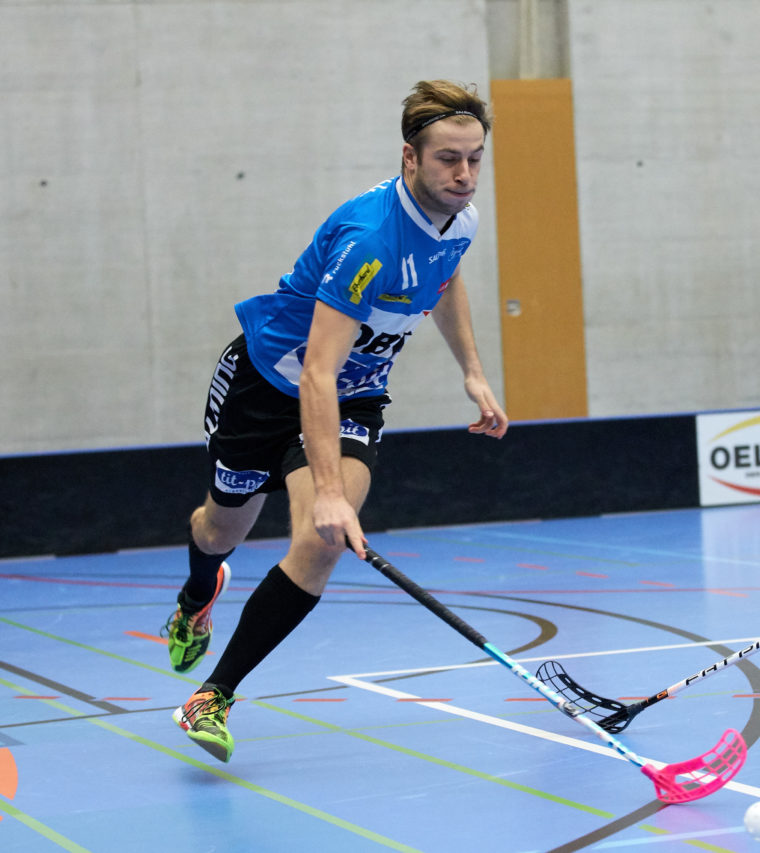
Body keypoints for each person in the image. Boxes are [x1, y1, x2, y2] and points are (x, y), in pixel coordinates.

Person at [165, 80, 508, 761]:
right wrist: (324, 489)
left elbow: (444, 278)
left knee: (321, 543)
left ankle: (213, 694)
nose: (464, 175)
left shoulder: (459, 219)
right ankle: (199, 591)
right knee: (219, 528)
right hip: (269, 386)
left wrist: (471, 369)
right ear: (409, 157)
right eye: (448, 159)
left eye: (474, 158)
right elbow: (316, 371)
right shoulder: (368, 239)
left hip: (354, 397)